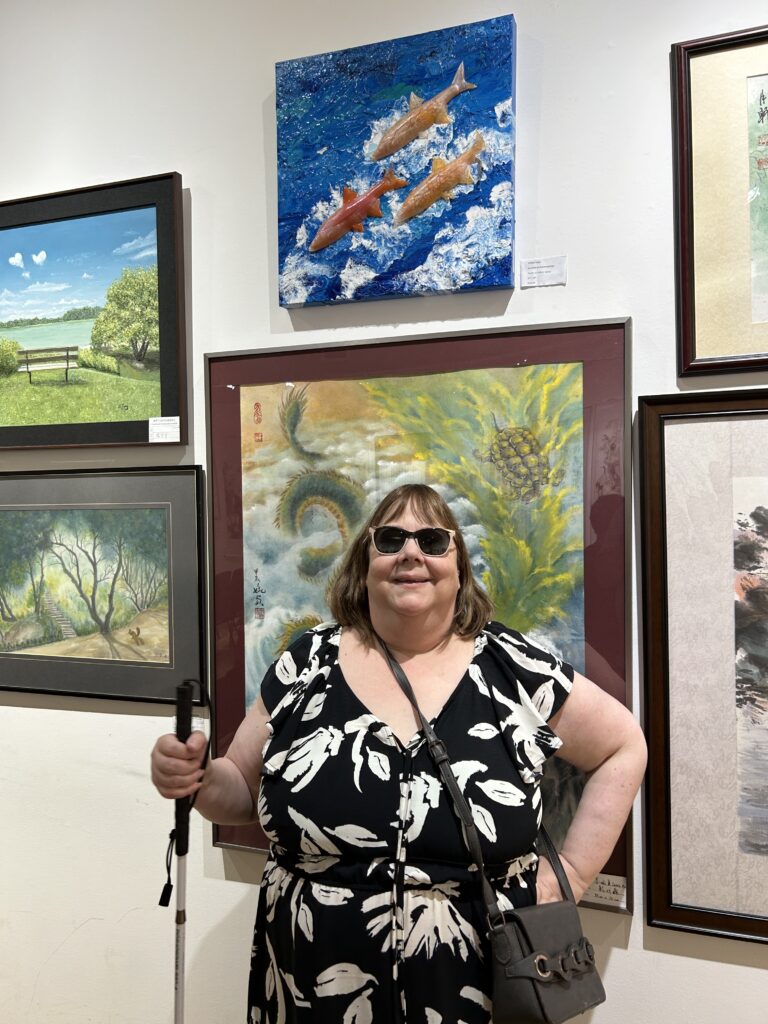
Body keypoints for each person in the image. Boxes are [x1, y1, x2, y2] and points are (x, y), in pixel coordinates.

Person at [151, 483, 646, 1024]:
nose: (412, 553)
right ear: (365, 563)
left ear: (460, 568)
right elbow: (241, 791)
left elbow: (623, 745)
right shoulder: (306, 663)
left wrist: (571, 874)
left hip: (473, 979)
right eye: (391, 539)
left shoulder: (514, 669)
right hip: (310, 974)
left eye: (433, 541)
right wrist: (195, 778)